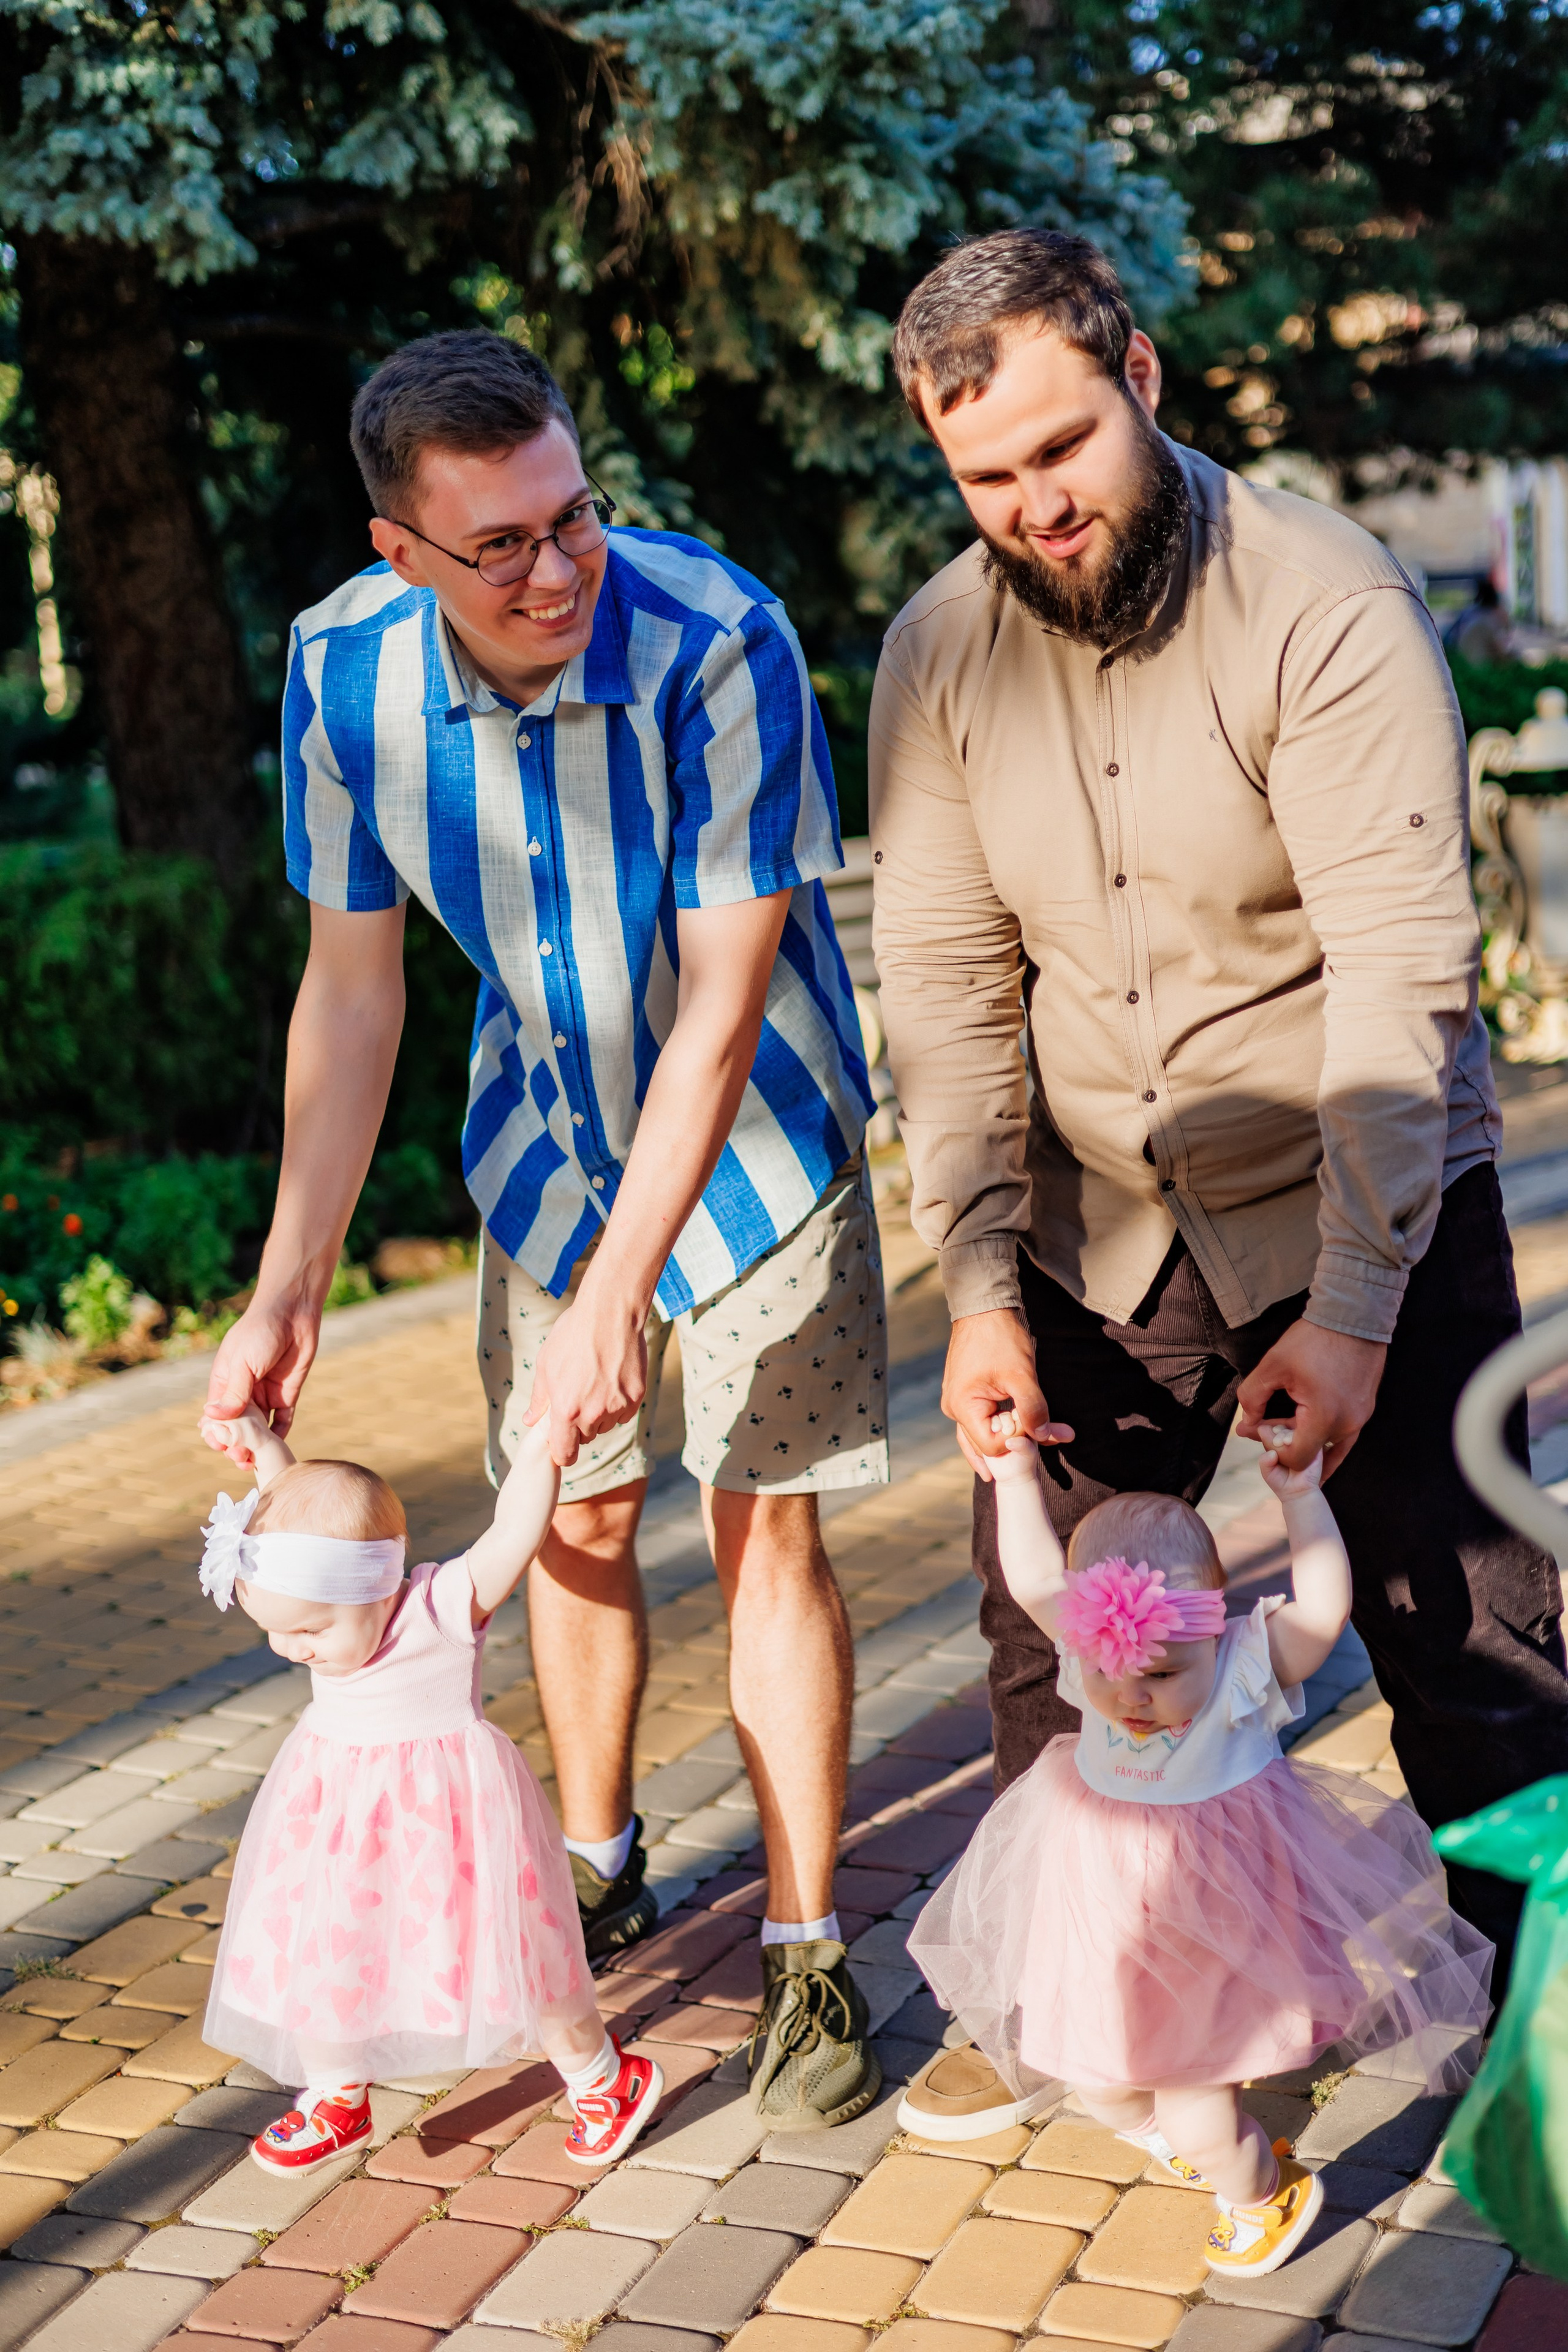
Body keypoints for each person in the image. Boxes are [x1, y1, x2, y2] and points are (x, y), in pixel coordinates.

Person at [868, 227, 1568, 2133]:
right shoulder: (936, 649)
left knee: (1466, 1628)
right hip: (1104, 1207)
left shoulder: (1326, 606)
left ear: (1145, 378)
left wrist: (1351, 1313)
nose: (1031, 506)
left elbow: (1398, 982)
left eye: (1059, 449)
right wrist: (981, 1281)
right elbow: (940, 981)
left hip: (1361, 1174)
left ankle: (1548, 2041)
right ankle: (1080, 2010)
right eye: (983, 475)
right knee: (1061, 1631)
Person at [205, 329, 889, 2130]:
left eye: (570, 515)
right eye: (496, 545)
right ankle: (593, 1859)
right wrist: (288, 1286)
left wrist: (616, 1296)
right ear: (396, 552)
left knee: (766, 1542)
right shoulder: (339, 675)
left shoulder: (721, 639)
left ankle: (809, 1943)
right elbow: (351, 998)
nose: (555, 568)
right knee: (570, 1522)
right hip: (542, 1142)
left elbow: (721, 1011)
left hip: (761, 1140)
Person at [907, 1425, 1492, 2278]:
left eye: (1162, 1676)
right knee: (1097, 2078)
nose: (1130, 1699)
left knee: (1197, 2110)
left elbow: (1324, 1607)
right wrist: (1016, 1476)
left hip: (1219, 1922)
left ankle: (1262, 2193)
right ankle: (1162, 2131)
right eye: (1113, 1675)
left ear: (1213, 1635)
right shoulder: (1097, 1649)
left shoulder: (1244, 1668)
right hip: (1106, 1913)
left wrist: (1301, 1498)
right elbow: (1032, 1574)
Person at [192, 1406, 665, 2172]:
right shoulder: (327, 1592)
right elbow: (299, 1509)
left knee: (526, 1952)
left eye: (311, 1632)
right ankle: (336, 2090)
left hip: (450, 1823)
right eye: (276, 1633)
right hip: (336, 1815)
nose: (293, 1649)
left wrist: (544, 1450)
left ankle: (604, 2079)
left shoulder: (441, 1609)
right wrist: (268, 1454)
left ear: (378, 1587)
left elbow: (513, 1534)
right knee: (323, 1944)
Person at [1447, 577, 1513, 667]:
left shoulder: (1471, 613)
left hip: (1461, 661)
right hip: (1477, 667)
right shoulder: (1487, 620)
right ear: (1496, 607)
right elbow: (1501, 652)